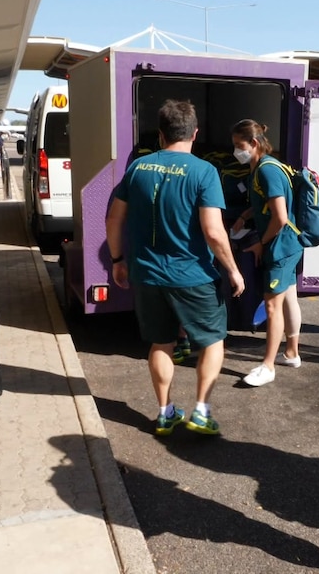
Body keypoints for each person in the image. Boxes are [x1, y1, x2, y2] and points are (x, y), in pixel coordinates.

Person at [106, 99, 245, 436]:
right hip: (193, 275)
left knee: (161, 344)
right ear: (195, 133)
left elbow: (113, 218)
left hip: (147, 273)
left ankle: (165, 412)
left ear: (161, 134)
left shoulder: (138, 168)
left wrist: (117, 260)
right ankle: (200, 412)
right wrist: (233, 269)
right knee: (212, 341)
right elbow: (213, 231)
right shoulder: (204, 171)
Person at [230, 120, 304, 387]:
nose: (236, 151)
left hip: (280, 246)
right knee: (288, 298)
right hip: (289, 244)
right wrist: (244, 216)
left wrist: (261, 242)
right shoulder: (265, 166)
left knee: (272, 306)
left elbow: (280, 217)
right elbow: (267, 203)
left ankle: (268, 366)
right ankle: (292, 353)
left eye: (240, 146)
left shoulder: (266, 171)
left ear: (255, 143)